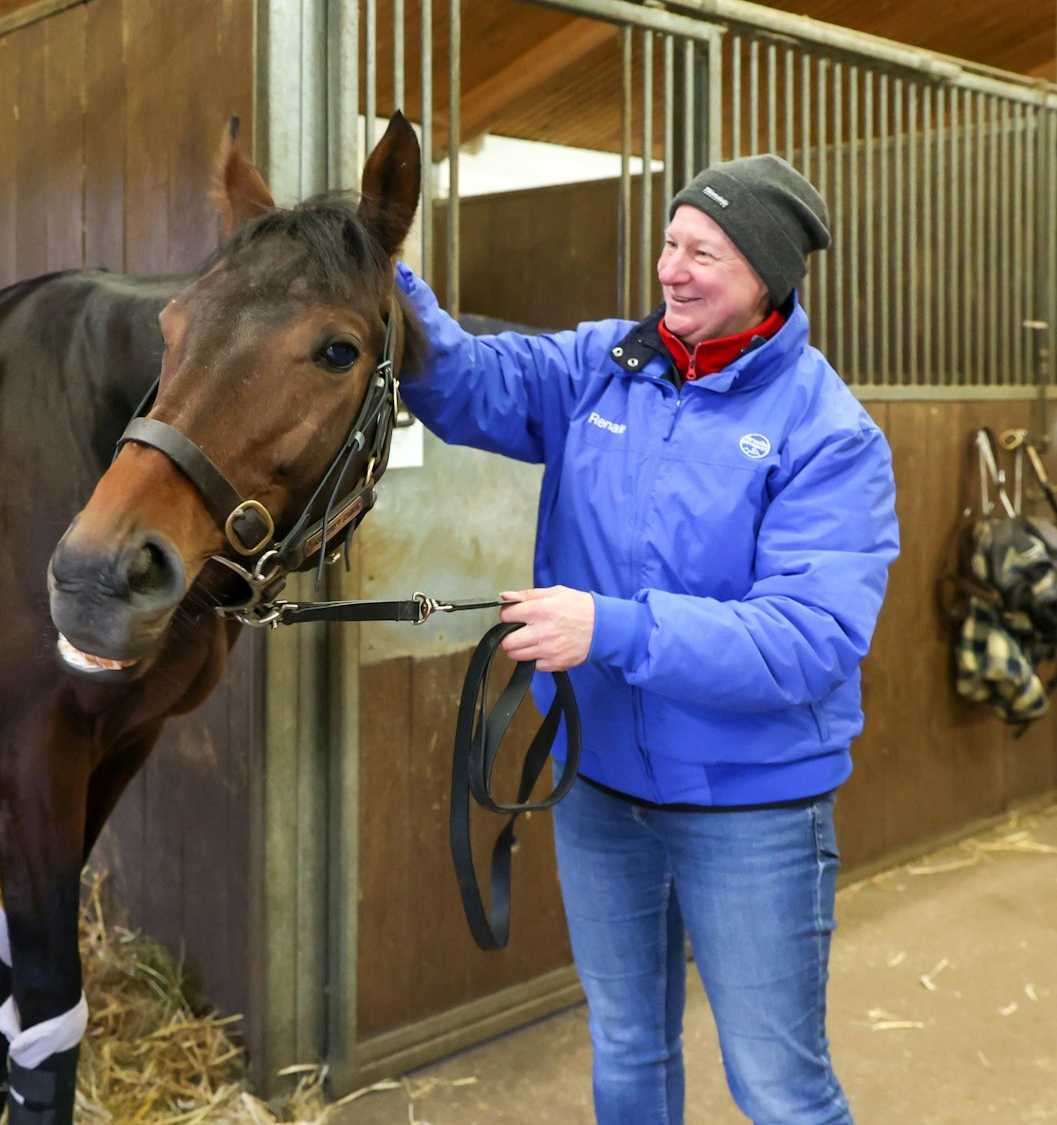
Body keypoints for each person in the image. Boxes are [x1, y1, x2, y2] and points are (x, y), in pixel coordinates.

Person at [397, 155, 899, 1125]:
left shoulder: (826, 432)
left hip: (746, 804)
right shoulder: (600, 365)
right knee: (626, 1043)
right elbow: (457, 385)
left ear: (764, 276)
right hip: (600, 785)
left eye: (702, 253)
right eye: (668, 243)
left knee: (779, 1088)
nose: (670, 269)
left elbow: (808, 639)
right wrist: (383, 269)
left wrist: (608, 627)